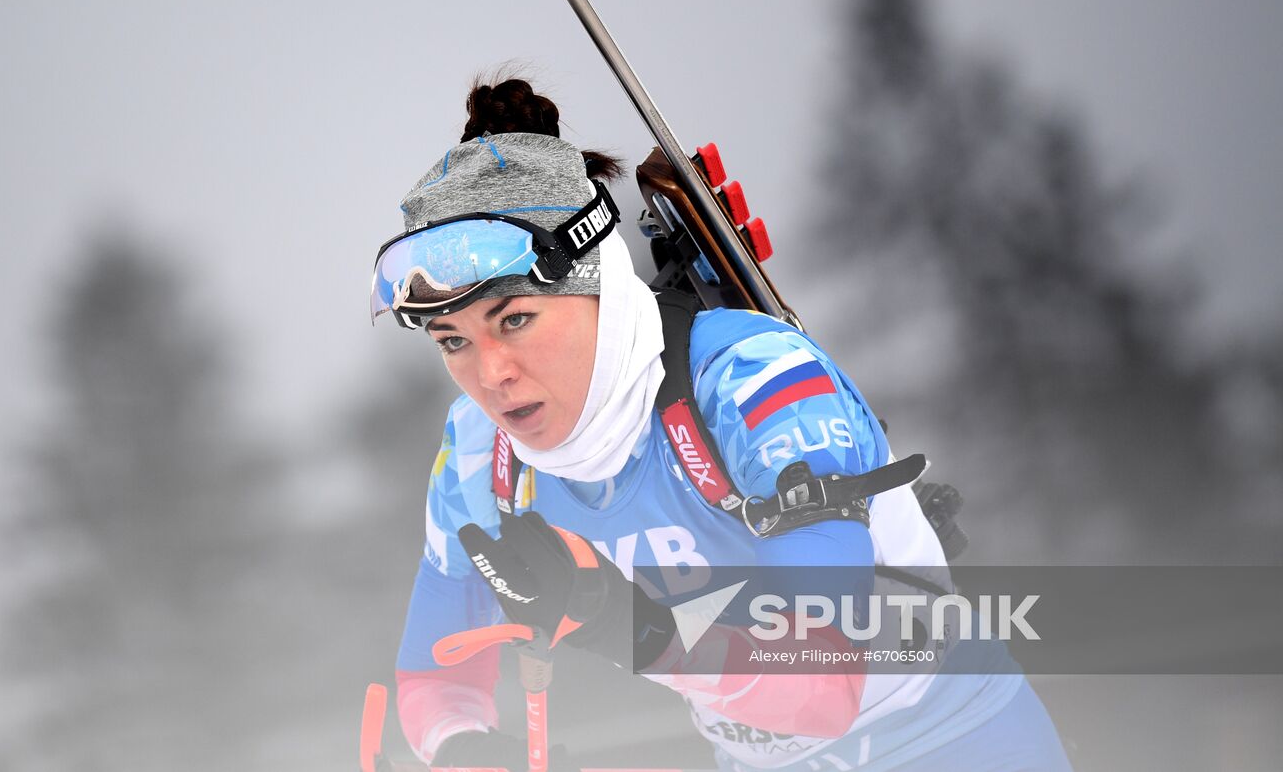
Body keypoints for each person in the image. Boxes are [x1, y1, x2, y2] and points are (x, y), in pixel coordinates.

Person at [373, 78, 1072, 771]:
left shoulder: (755, 383)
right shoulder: (480, 454)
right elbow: (435, 678)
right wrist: (463, 748)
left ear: (601, 286)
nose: (490, 374)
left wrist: (622, 620)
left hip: (952, 742)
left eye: (515, 319)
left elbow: (823, 687)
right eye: (452, 340)